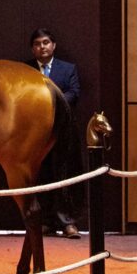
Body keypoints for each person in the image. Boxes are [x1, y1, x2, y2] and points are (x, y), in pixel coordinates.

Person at [27, 27, 82, 239]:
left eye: (46, 42)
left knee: (64, 176)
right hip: (35, 135)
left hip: (63, 132)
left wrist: (47, 103)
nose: (42, 47)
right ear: (33, 48)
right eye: (38, 44)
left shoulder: (68, 69)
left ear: (54, 45)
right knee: (41, 176)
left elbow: (74, 95)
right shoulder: (25, 70)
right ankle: (47, 223)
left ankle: (68, 223)